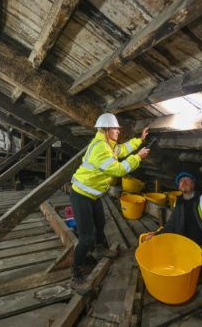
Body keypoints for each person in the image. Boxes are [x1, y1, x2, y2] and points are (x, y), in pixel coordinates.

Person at [70, 113, 150, 295]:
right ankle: (76, 274)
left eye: (118, 129)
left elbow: (121, 150)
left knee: (100, 224)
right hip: (81, 195)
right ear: (105, 130)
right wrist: (138, 157)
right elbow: (120, 169)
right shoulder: (100, 149)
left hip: (93, 195)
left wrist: (139, 140)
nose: (118, 132)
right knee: (86, 238)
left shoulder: (108, 145)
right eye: (115, 129)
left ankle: (100, 249)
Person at [143, 171, 202, 296]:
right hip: (186, 244)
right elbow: (171, 225)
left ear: (193, 183)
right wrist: (157, 235)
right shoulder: (178, 203)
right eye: (181, 181)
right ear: (178, 187)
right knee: (165, 254)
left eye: (187, 179)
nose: (184, 182)